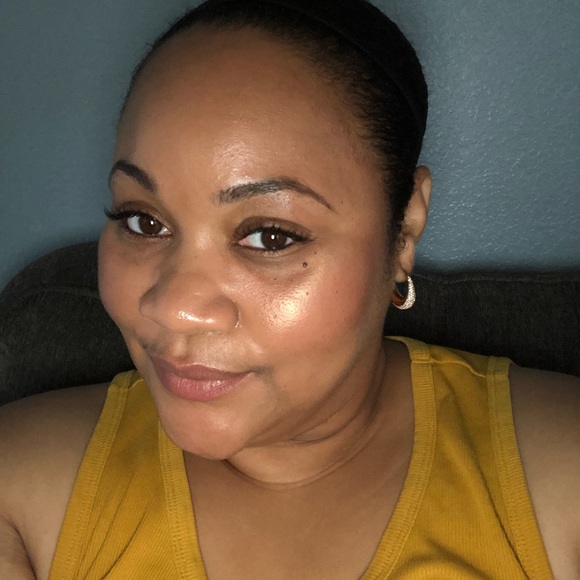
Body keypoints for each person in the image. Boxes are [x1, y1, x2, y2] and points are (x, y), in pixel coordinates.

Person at [1, 0, 579, 578]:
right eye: (142, 221)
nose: (174, 309)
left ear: (403, 229)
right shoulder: (19, 500)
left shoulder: (560, 484)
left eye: (270, 236)